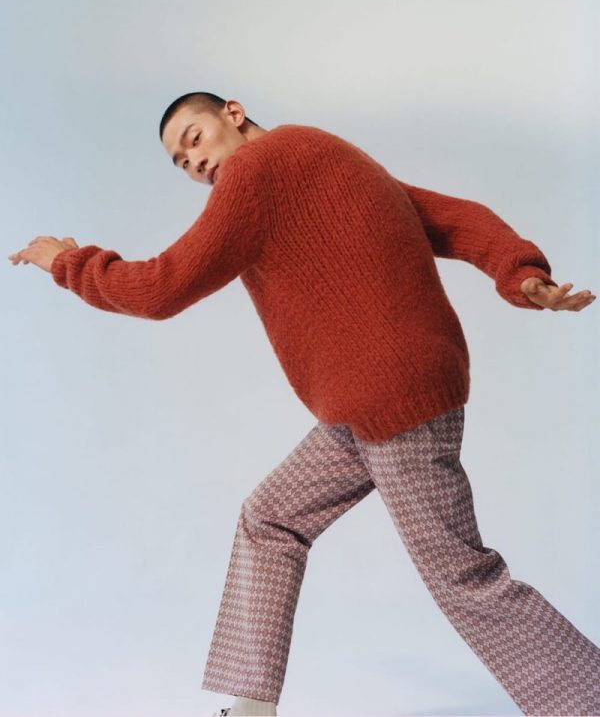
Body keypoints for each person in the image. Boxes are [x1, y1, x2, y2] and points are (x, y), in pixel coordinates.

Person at [8, 93, 598, 717]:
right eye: (180, 162)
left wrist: (65, 262)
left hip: (393, 401)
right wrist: (518, 271)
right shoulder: (320, 148)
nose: (194, 162)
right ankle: (252, 710)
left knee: (464, 577)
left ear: (233, 113)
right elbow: (447, 217)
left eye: (194, 138)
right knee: (269, 519)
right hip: (369, 406)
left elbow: (161, 288)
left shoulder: (255, 170)